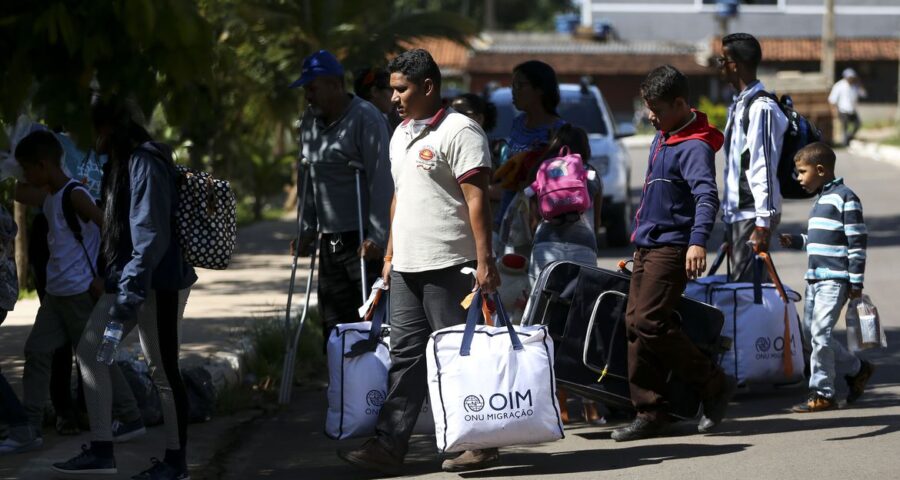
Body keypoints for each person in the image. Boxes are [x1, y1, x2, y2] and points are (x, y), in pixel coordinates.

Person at [337, 48, 500, 475]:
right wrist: (390, 255)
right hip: (407, 266)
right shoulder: (401, 133)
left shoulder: (462, 131)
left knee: (458, 357)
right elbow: (399, 199)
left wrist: (485, 262)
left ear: (428, 87)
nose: (394, 98)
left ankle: (480, 443)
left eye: (402, 89)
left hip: (451, 265)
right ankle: (390, 445)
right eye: (392, 90)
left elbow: (477, 199)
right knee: (405, 358)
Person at [53, 96, 197, 480]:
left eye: (91, 132)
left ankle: (176, 462)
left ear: (106, 131)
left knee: (163, 371)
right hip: (129, 282)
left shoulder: (145, 162)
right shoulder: (121, 163)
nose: (88, 141)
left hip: (158, 283)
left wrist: (127, 294)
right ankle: (102, 450)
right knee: (92, 352)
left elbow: (150, 237)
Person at [613, 65, 736, 442]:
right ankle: (651, 411)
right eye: (647, 107)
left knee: (650, 320)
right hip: (647, 244)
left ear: (680, 104)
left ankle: (713, 383)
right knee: (635, 324)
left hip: (673, 247)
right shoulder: (663, 136)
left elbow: (705, 196)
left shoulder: (694, 145)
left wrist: (697, 241)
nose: (650, 115)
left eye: (657, 109)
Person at [13, 130, 146, 451]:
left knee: (96, 358)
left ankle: (129, 416)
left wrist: (106, 276)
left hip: (77, 295)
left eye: (28, 169)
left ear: (43, 166)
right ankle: (29, 427)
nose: (26, 177)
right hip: (56, 295)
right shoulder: (51, 195)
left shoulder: (75, 195)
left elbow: (110, 229)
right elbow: (19, 193)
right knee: (37, 352)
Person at [292, 51, 394, 345]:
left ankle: (370, 386)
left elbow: (381, 180)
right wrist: (306, 228)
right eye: (305, 89)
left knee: (367, 321)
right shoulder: (309, 122)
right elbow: (307, 177)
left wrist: (378, 235)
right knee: (333, 323)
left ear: (336, 85)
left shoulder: (367, 119)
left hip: (363, 242)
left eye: (312, 88)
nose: (308, 95)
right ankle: (339, 385)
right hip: (330, 241)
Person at [779, 142, 875, 413]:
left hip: (836, 280)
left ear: (820, 170)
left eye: (802, 172)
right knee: (812, 336)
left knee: (820, 333)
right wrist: (797, 240)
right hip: (815, 279)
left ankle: (823, 392)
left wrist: (855, 281)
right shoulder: (821, 199)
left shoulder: (846, 197)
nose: (798, 178)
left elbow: (857, 241)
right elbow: (820, 240)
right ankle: (858, 370)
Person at [718, 33, 788, 282]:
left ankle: (780, 322)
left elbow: (763, 165)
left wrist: (763, 224)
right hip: (740, 212)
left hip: (753, 212)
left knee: (747, 291)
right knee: (745, 288)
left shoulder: (760, 107)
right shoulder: (741, 104)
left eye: (722, 60)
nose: (720, 66)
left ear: (734, 64)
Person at [493, 61, 565, 254]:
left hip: (540, 227)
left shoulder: (559, 131)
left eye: (519, 85)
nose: (513, 92)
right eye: (512, 86)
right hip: (508, 219)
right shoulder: (517, 124)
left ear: (540, 89)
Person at [353, 66, 402, 133]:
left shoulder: (357, 118)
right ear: (374, 91)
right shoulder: (372, 122)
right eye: (391, 90)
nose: (395, 96)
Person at [828, 68, 867, 147]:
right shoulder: (839, 85)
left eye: (852, 78)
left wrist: (859, 83)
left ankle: (849, 137)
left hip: (852, 110)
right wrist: (834, 111)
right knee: (845, 126)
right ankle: (845, 143)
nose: (851, 79)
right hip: (843, 110)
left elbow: (863, 94)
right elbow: (832, 99)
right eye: (849, 77)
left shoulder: (855, 86)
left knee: (858, 124)